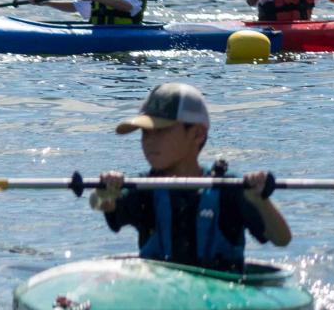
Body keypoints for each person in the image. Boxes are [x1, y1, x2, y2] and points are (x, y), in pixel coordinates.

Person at [91, 83, 292, 273]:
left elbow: (281, 239)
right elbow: (102, 204)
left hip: (221, 295)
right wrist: (104, 192)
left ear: (197, 134)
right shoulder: (144, 188)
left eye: (160, 131)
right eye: (145, 132)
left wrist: (261, 201)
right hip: (159, 293)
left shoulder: (229, 188)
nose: (149, 141)